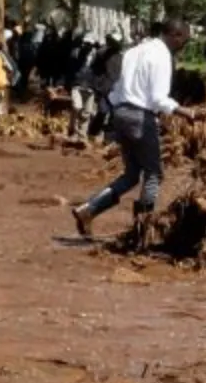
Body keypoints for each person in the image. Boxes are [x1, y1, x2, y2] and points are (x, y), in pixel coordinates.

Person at [71, 20, 197, 236]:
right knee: (154, 174)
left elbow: (117, 89)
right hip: (140, 117)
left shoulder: (134, 51)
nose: (184, 45)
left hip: (120, 114)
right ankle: (142, 228)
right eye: (184, 40)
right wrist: (187, 113)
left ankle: (89, 210)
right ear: (175, 35)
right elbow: (158, 98)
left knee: (131, 175)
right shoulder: (162, 56)